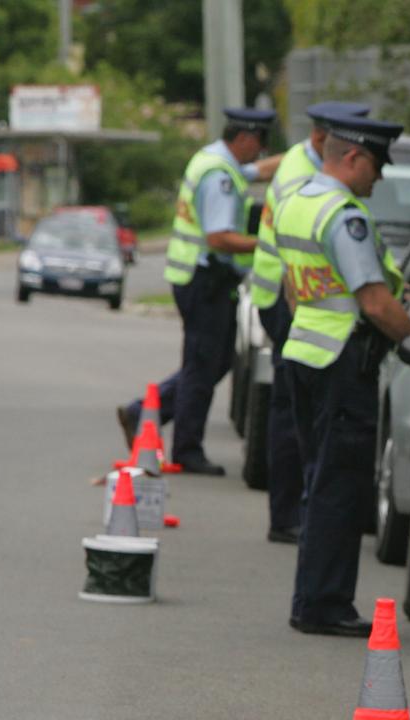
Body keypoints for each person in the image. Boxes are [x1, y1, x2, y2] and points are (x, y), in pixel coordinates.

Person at [272, 111, 410, 636]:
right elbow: (375, 302)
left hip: (305, 355)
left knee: (319, 483)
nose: (378, 177)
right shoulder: (343, 215)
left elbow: (293, 289)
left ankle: (309, 600)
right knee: (340, 488)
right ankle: (325, 606)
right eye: (376, 165)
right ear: (352, 157)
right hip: (342, 364)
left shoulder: (296, 202)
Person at [117, 108, 283, 476]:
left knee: (214, 360)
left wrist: (305, 156)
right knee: (203, 364)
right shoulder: (220, 176)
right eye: (260, 142)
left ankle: (145, 411)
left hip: (198, 278)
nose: (261, 151)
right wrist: (270, 244)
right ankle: (186, 448)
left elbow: (261, 171)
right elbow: (219, 237)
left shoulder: (215, 160)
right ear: (243, 139)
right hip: (205, 279)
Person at [252, 101, 371, 544]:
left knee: (293, 410)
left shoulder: (300, 162)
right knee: (292, 415)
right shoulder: (305, 175)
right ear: (325, 139)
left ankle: (293, 512)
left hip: (293, 298)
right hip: (293, 302)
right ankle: (288, 514)